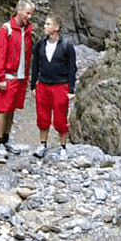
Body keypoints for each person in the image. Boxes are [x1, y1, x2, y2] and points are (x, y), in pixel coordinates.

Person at [0, 0, 35, 163]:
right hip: (9, 77)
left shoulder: (27, 30)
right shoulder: (6, 29)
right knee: (3, 109)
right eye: (27, 13)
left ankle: (6, 140)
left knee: (11, 109)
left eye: (31, 14)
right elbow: (1, 54)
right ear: (19, 11)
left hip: (21, 77)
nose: (29, 17)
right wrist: (1, 77)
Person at [30, 13, 76, 160]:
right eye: (45, 24)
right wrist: (33, 86)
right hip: (43, 85)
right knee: (42, 117)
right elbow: (35, 65)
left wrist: (71, 89)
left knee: (60, 119)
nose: (44, 26)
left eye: (48, 24)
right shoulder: (40, 44)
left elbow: (72, 68)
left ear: (56, 28)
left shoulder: (67, 45)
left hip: (60, 86)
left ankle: (63, 147)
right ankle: (42, 144)